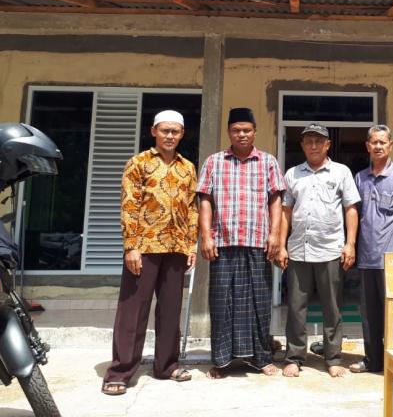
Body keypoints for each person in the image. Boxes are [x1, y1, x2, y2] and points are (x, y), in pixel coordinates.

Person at [102, 110, 198, 395]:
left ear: (182, 134)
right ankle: (120, 371)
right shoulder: (138, 163)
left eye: (175, 132)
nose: (170, 136)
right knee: (134, 310)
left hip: (176, 248)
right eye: (165, 131)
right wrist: (130, 246)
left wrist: (191, 244)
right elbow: (129, 206)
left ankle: (166, 365)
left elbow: (191, 208)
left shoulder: (188, 167)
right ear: (153, 131)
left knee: (170, 310)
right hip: (143, 247)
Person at [197, 107, 285, 378]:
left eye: (247, 130)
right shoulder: (214, 161)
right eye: (236, 130)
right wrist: (206, 235)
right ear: (229, 133)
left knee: (258, 301)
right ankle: (223, 361)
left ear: (255, 132)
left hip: (258, 242)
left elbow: (276, 200)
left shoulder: (268, 161)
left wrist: (274, 234)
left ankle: (261, 358)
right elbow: (205, 200)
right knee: (223, 302)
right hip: (223, 242)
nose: (242, 134)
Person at [278, 123, 361, 378]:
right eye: (308, 141)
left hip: (331, 249)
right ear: (302, 145)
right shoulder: (293, 174)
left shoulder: (341, 172)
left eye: (318, 141)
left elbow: (351, 208)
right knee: (295, 307)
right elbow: (286, 211)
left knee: (332, 307)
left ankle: (333, 357)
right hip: (299, 250)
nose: (313, 145)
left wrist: (350, 244)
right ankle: (294, 357)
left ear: (327, 145)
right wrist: (281, 245)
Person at [349, 124, 393, 373]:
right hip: (367, 256)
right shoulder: (360, 178)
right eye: (373, 142)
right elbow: (355, 213)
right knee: (370, 314)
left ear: (391, 145)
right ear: (367, 146)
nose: (378, 146)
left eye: (382, 142)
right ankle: (373, 360)